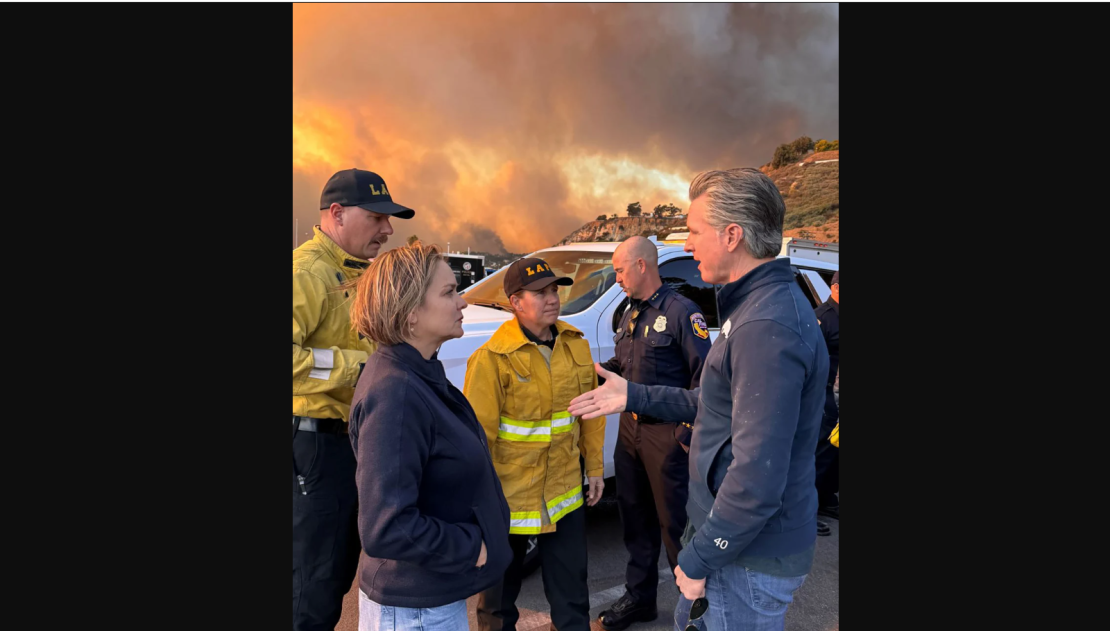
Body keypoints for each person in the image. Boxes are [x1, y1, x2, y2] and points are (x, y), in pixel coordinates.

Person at [569, 168, 829, 631]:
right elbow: (716, 403)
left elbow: (757, 477)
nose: (687, 245)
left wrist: (701, 557)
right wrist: (632, 393)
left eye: (693, 231)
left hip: (747, 559)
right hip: (741, 548)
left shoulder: (765, 327)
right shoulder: (756, 310)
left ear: (732, 235)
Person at [348, 243, 513, 631]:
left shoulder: (419, 373)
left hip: (429, 601)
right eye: (448, 292)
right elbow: (387, 526)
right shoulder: (396, 394)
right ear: (409, 315)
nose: (462, 303)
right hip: (414, 612)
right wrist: (473, 548)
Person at [292, 168, 415, 630]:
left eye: (390, 219)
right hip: (318, 449)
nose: (388, 229)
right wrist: (359, 369)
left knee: (337, 573)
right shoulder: (308, 272)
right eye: (377, 217)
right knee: (314, 585)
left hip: (352, 446)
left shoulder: (358, 274)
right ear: (337, 214)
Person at [466, 257, 606, 631]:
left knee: (573, 600)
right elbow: (479, 438)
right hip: (509, 501)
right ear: (516, 302)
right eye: (540, 292)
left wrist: (594, 470)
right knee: (497, 606)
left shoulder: (575, 344)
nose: (552, 298)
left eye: (554, 290)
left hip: (563, 497)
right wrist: (476, 505)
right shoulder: (491, 358)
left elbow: (590, 414)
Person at [596, 237, 712, 631]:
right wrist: (588, 370)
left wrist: (684, 434)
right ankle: (640, 598)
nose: (617, 279)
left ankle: (693, 610)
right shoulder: (631, 313)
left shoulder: (682, 313)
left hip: (668, 437)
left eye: (620, 270)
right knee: (635, 517)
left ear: (643, 265)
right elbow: (625, 365)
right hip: (631, 432)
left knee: (676, 527)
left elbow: (706, 383)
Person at [814, 271, 840, 521]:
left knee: (837, 452)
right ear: (835, 288)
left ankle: (827, 498)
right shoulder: (822, 318)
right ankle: (809, 509)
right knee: (822, 450)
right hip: (826, 395)